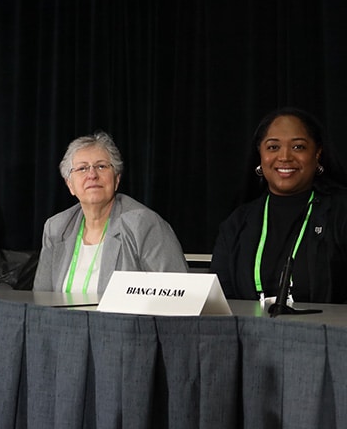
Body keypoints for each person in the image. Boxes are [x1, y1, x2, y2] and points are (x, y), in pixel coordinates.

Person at [211, 107, 347, 304]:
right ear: (260, 154)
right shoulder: (238, 222)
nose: (285, 157)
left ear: (317, 153)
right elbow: (220, 300)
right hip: (248, 333)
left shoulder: (341, 212)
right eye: (273, 147)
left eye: (298, 147)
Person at [33, 131, 187, 295]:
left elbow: (178, 294)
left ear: (117, 179)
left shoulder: (144, 224)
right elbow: (42, 298)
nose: (92, 175)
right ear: (69, 184)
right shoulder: (56, 228)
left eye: (101, 166)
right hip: (65, 321)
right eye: (82, 168)